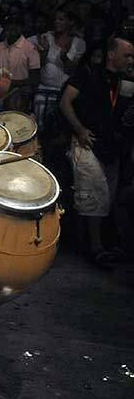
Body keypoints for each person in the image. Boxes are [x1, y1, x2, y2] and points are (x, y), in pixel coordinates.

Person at [60, 37, 134, 263]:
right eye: (127, 55)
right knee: (94, 193)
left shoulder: (127, 81)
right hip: (87, 142)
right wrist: (80, 130)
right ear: (112, 55)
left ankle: (99, 243)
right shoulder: (88, 74)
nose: (131, 60)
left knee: (107, 196)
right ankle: (95, 247)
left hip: (112, 145)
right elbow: (65, 102)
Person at [33, 8, 86, 133]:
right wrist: (44, 52)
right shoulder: (46, 37)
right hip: (43, 91)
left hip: (65, 95)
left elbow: (73, 70)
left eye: (61, 19)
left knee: (61, 131)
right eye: (55, 19)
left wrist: (64, 57)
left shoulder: (79, 43)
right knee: (40, 129)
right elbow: (37, 66)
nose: (57, 22)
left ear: (70, 22)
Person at [0, 15, 40, 113]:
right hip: (1, 90)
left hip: (21, 91)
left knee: (17, 96)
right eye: (10, 24)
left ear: (22, 28)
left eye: (17, 25)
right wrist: (1, 84)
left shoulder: (30, 48)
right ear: (5, 27)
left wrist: (10, 84)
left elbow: (34, 78)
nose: (13, 27)